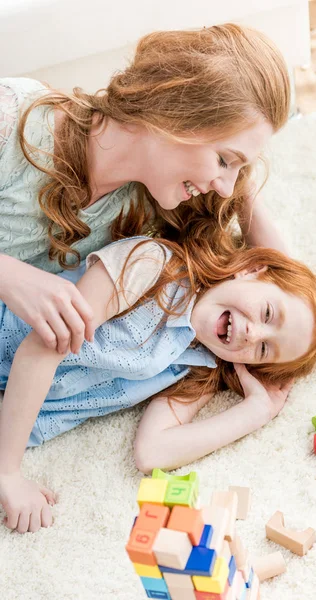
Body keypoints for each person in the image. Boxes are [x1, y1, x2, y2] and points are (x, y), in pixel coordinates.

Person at [0, 235, 316, 534]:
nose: (252, 333)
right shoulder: (153, 267)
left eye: (264, 350)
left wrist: (255, 413)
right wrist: (9, 473)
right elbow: (42, 349)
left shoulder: (197, 366)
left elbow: (151, 453)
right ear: (251, 270)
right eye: (267, 313)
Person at [0, 22, 291, 357]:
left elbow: (286, 279)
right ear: (174, 114)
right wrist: (10, 276)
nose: (225, 190)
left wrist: (244, 185)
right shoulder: (13, 120)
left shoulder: (149, 201)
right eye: (224, 159)